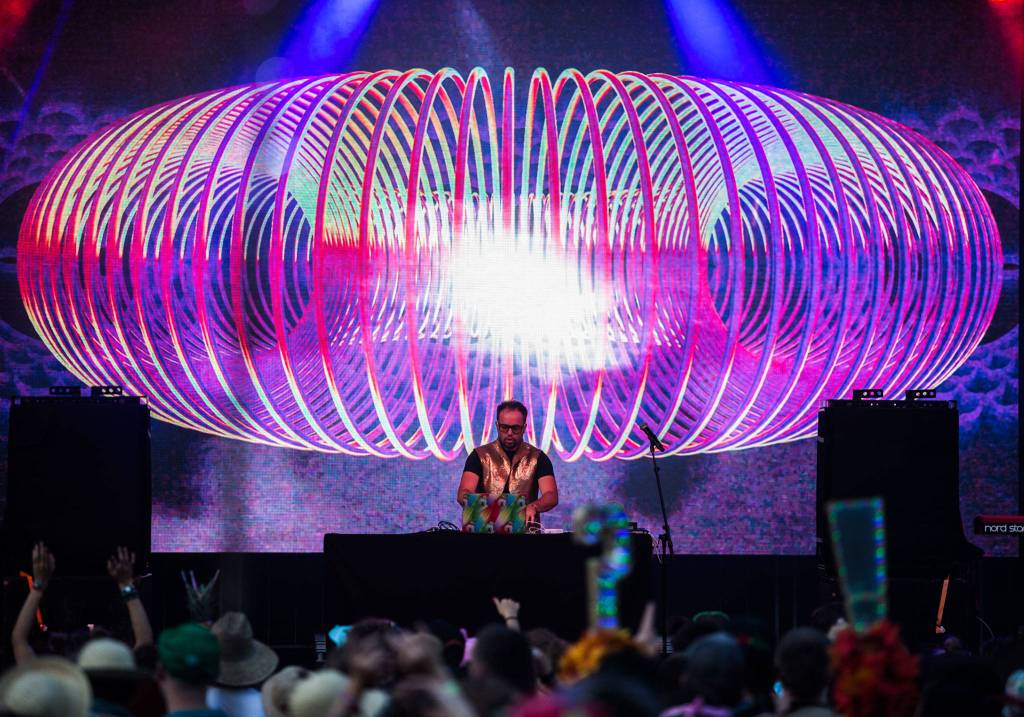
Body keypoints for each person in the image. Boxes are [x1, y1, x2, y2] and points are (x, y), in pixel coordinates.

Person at [457, 400, 558, 524]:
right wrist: (485, 509)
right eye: (505, 427)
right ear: (497, 425)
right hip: (485, 531)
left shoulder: (538, 457)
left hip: (527, 533)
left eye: (515, 428)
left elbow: (551, 495)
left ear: (524, 428)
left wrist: (534, 507)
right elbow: (463, 493)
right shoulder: (478, 456)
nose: (510, 433)